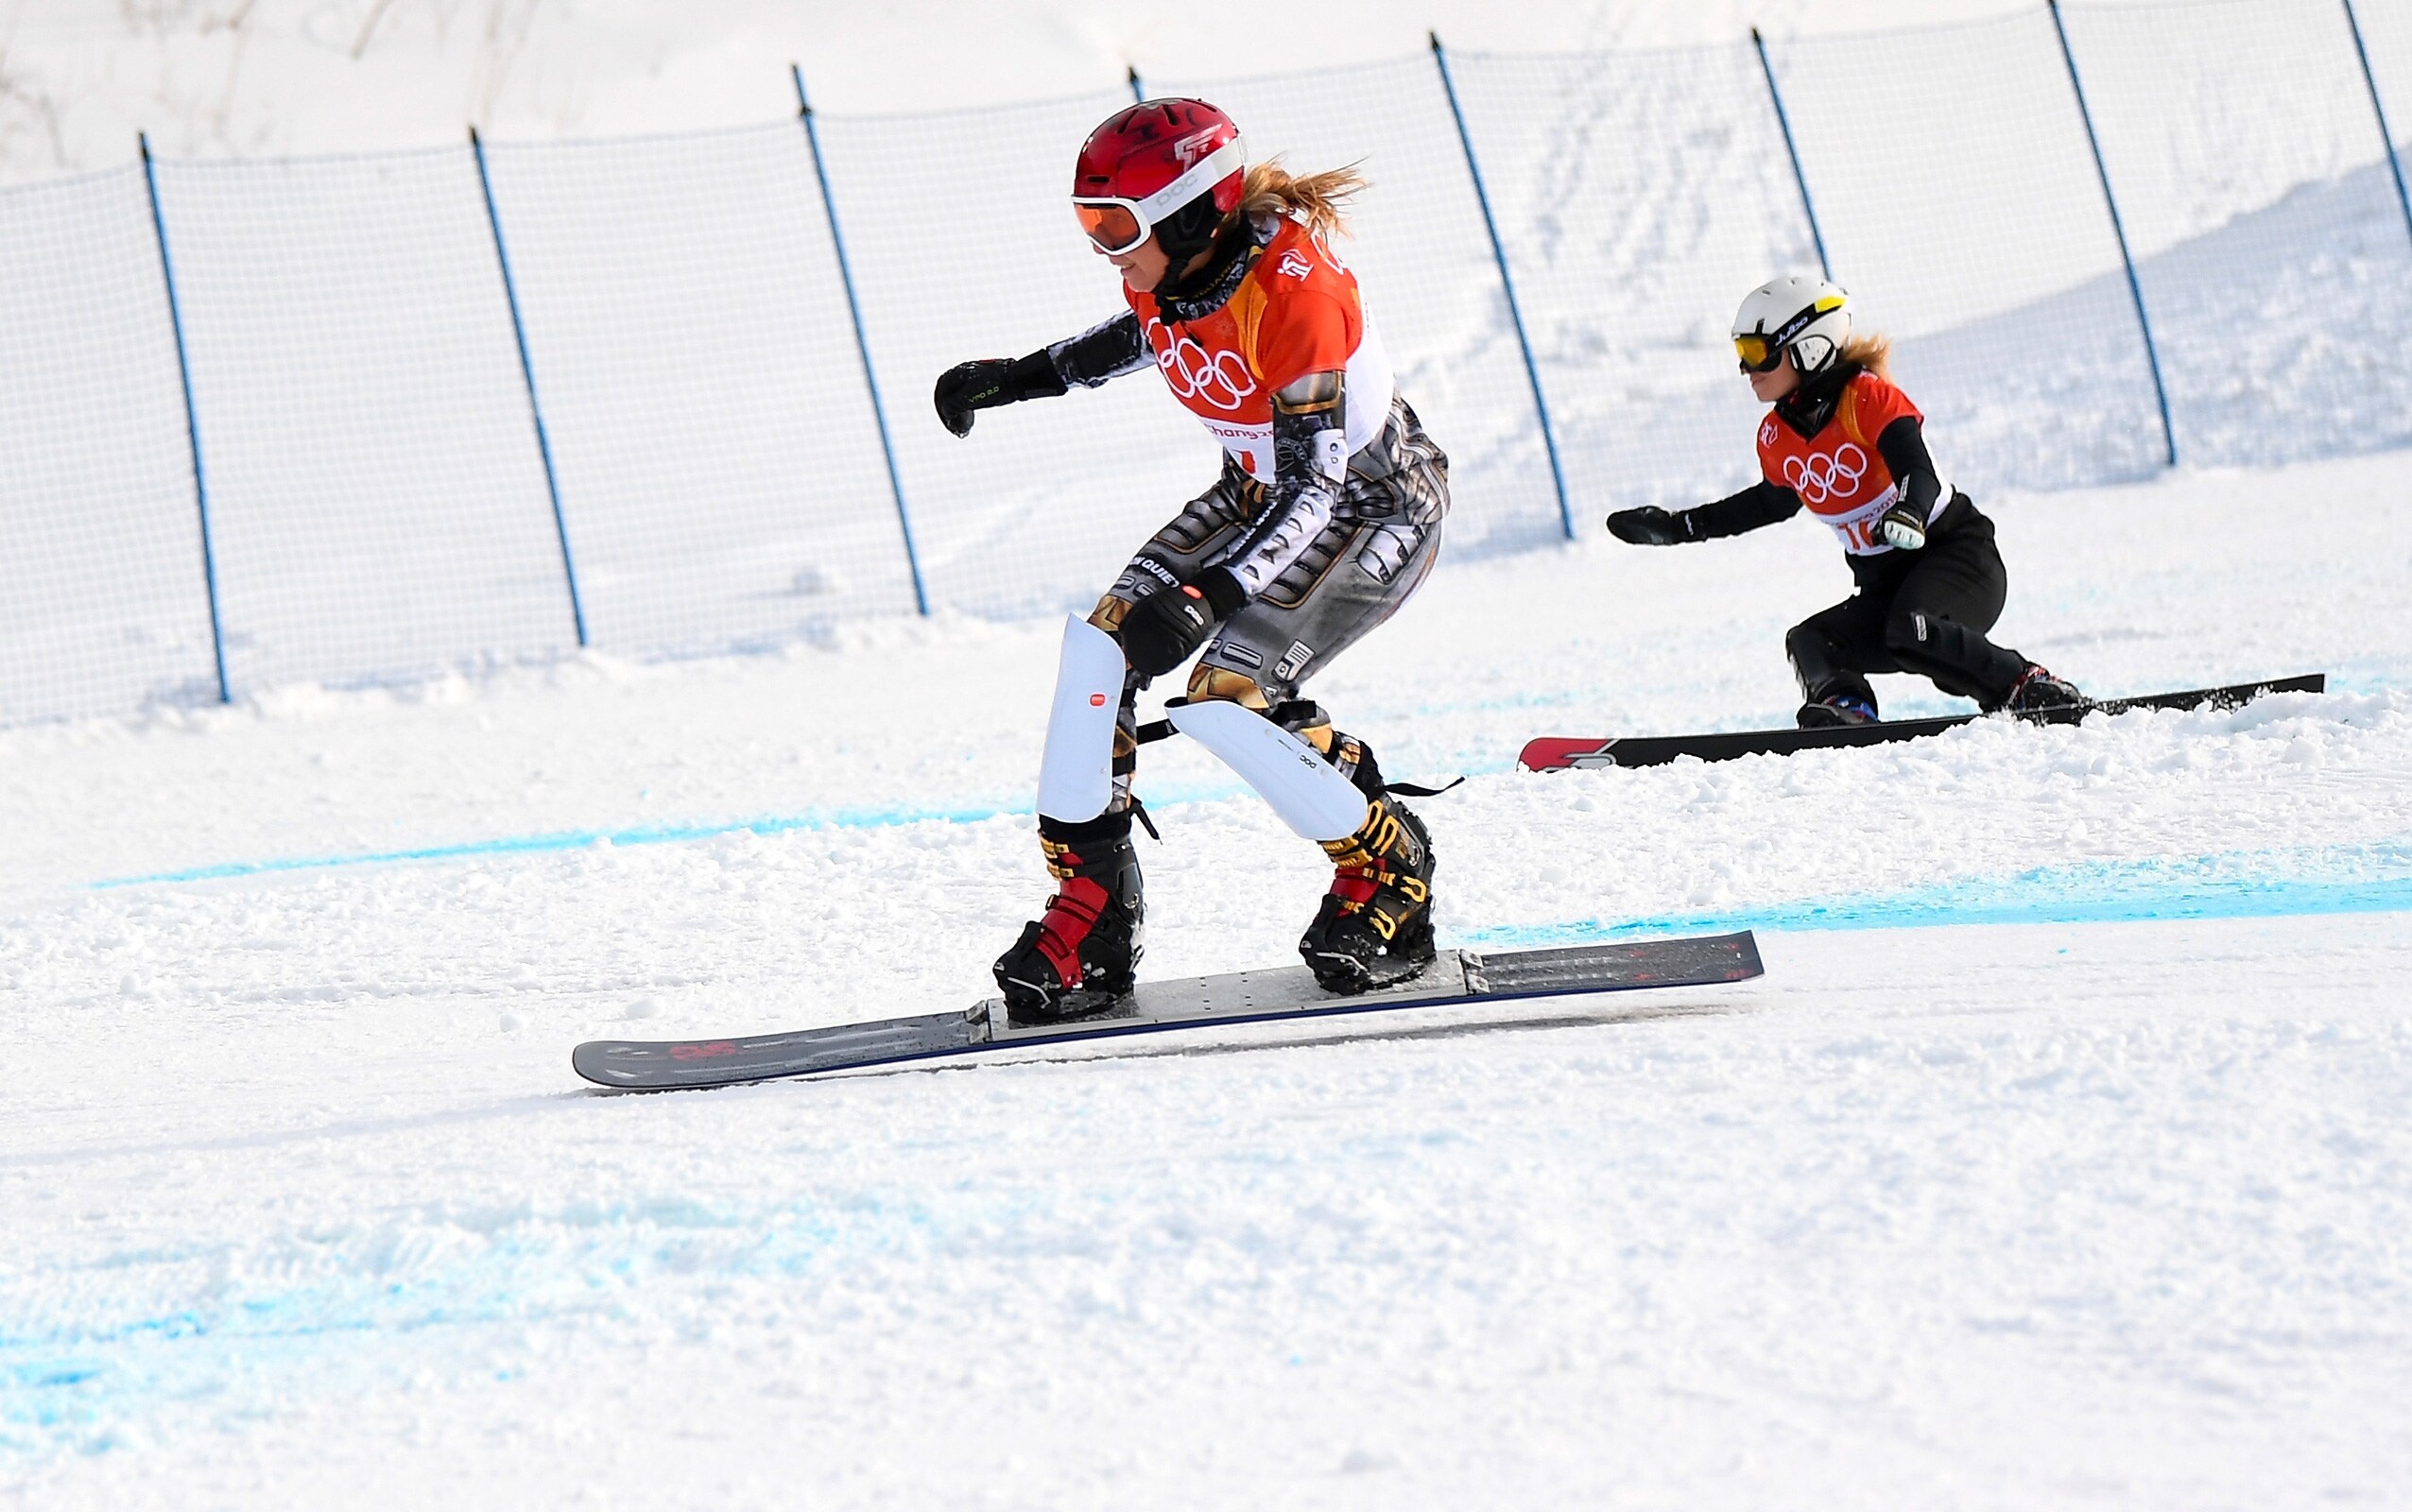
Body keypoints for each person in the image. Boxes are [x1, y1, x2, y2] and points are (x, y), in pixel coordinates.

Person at [931, 98, 1451, 1022]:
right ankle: (1091, 919)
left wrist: (1212, 591)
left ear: (1186, 211)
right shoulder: (1177, 264)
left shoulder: (1297, 288)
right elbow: (1153, 332)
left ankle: (1388, 879)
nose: (1101, 245)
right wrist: (1026, 373)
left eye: (1114, 224)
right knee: (1101, 655)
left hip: (1369, 505)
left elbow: (1316, 490)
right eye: (1088, 220)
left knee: (1225, 699)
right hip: (1254, 492)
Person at [1607, 275, 2081, 728]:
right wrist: (1679, 526)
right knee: (1812, 641)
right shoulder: (1777, 436)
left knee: (1910, 628)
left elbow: (1919, 472)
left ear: (1808, 348)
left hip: (1958, 559)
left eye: (1756, 352)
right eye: (1741, 352)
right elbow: (1769, 504)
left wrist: (1909, 511)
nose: (1745, 369)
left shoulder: (1866, 399)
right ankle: (1846, 709)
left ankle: (2024, 686)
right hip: (1887, 586)